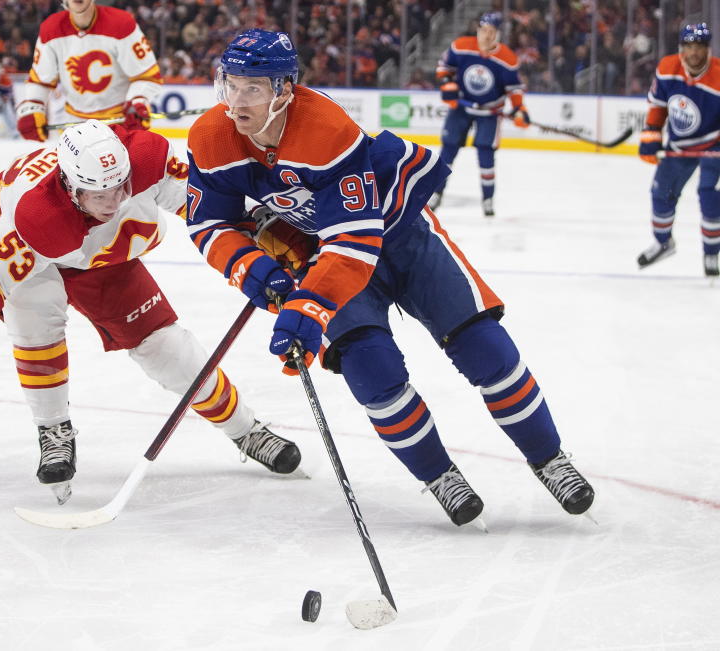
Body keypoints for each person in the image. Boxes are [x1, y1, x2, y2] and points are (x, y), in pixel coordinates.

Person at [184, 28, 595, 528]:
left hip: (399, 237)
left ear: (284, 90)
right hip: (325, 253)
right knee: (372, 374)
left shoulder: (323, 129)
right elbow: (209, 222)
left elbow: (355, 245)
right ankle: (439, 474)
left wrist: (308, 306)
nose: (237, 100)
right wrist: (254, 269)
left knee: (486, 349)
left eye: (254, 87)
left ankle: (549, 458)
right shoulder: (210, 137)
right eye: (231, 84)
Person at [0, 120, 302, 504]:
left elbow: (206, 203)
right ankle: (53, 429)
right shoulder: (37, 220)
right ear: (71, 189)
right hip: (38, 256)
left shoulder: (145, 161)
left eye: (121, 188)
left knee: (167, 349)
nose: (114, 203)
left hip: (103, 260)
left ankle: (246, 430)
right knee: (37, 332)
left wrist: (260, 226)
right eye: (100, 195)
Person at [637, 23, 720, 278]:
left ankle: (711, 252)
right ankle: (663, 242)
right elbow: (658, 106)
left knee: (709, 195)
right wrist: (651, 134)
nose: (694, 53)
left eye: (700, 47)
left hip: (714, 144)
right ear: (682, 49)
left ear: (708, 49)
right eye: (690, 47)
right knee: (661, 193)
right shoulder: (667, 68)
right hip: (679, 145)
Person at [16, 0, 162, 142]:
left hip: (121, 124)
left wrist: (137, 101)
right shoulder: (50, 28)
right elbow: (40, 80)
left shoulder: (122, 23)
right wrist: (33, 107)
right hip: (75, 127)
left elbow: (148, 76)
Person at [429, 12, 530, 218]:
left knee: (486, 154)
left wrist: (520, 108)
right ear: (478, 31)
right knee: (448, 150)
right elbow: (444, 67)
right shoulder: (461, 46)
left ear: (498, 34)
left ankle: (488, 199)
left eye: (491, 32)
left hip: (489, 112)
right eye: (483, 31)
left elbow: (514, 89)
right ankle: (436, 193)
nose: (487, 35)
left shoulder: (507, 59)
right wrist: (447, 84)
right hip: (461, 108)